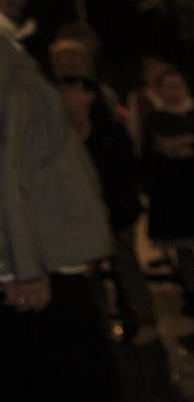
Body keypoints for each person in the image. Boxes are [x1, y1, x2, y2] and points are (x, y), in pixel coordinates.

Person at [0, 0, 116, 402]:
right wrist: (18, 266)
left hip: (42, 264)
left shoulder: (13, 47)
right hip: (39, 272)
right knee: (85, 396)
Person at [59, 75, 159, 345]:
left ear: (89, 95)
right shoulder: (60, 135)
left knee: (125, 268)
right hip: (79, 219)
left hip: (115, 214)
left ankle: (143, 320)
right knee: (90, 278)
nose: (64, 95)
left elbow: (125, 175)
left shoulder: (110, 133)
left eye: (71, 90)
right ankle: (99, 327)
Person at [141, 66, 194, 307]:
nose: (173, 92)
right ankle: (193, 294)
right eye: (168, 87)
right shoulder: (155, 120)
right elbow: (150, 152)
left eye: (177, 86)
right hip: (172, 193)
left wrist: (188, 145)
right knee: (182, 248)